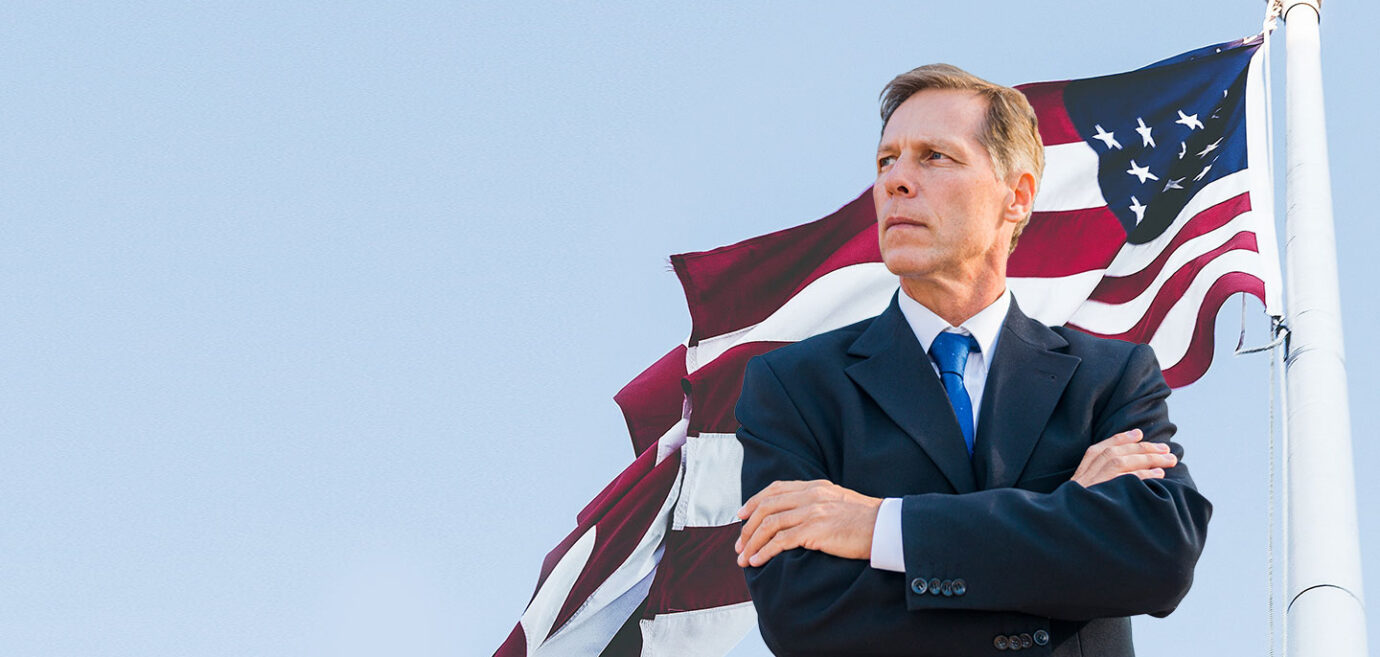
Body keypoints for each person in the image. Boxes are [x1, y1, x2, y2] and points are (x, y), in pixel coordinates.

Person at [732, 64, 1211, 656]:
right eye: (886, 161)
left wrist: (882, 527)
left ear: (1018, 196)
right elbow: (803, 615)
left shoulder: (1111, 378)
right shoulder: (793, 386)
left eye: (934, 156)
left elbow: (1158, 556)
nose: (895, 182)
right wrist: (1066, 519)